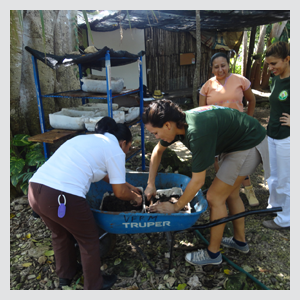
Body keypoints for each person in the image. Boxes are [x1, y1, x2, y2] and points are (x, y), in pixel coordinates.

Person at [142, 99, 269, 266]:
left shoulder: (196, 133)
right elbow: (157, 152)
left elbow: (198, 181)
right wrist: (151, 183)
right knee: (230, 193)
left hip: (248, 143)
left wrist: (176, 206)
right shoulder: (177, 124)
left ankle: (213, 254)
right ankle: (240, 242)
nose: (155, 137)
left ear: (167, 125)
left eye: (155, 133)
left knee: (215, 197)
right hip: (238, 141)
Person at [28, 117, 142, 290]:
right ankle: (94, 285)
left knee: (60, 234)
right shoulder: (115, 150)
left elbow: (107, 176)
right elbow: (119, 193)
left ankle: (66, 275)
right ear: (124, 143)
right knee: (89, 239)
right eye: (128, 148)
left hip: (36, 190)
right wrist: (136, 199)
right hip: (62, 196)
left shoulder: (87, 140)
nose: (127, 152)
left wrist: (132, 187)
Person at [199, 52, 259, 206]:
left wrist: (249, 119)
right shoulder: (206, 87)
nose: (220, 69)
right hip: (218, 130)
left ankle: (248, 189)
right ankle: (226, 190)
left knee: (240, 160)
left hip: (238, 130)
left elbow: (251, 100)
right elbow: (201, 112)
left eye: (223, 65)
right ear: (212, 69)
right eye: (216, 67)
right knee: (220, 159)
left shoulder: (240, 80)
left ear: (228, 65)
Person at [262, 41, 290, 230]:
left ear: (287, 59)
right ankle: (275, 207)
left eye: (274, 64)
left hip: (287, 137)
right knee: (272, 176)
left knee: (286, 179)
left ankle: (285, 219)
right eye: (269, 64)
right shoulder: (276, 79)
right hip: (272, 134)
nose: (271, 68)